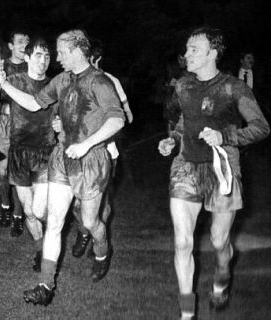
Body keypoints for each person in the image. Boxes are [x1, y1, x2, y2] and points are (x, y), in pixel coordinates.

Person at [0, 29, 125, 305]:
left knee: (90, 222)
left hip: (91, 160)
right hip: (61, 158)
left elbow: (117, 120)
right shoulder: (61, 80)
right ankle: (45, 285)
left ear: (78, 51)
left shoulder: (100, 82)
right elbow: (32, 103)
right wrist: (2, 83)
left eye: (62, 52)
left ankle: (103, 251)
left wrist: (87, 144)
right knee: (54, 222)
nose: (58, 58)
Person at [157, 27, 269, 320]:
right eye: (187, 48)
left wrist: (225, 136)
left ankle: (222, 278)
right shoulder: (182, 86)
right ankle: (187, 313)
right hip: (186, 167)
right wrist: (174, 139)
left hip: (223, 170)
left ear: (213, 53)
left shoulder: (234, 87)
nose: (187, 54)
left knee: (220, 241)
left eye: (195, 49)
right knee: (182, 241)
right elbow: (184, 122)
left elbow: (260, 127)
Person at [67, 40, 133, 259]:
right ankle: (84, 233)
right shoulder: (72, 81)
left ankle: (100, 247)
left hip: (104, 155)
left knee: (100, 205)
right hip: (75, 153)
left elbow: (126, 116)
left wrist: (100, 135)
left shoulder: (109, 82)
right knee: (76, 205)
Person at [3, 38, 55, 272]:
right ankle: (41, 251)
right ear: (26, 57)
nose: (43, 61)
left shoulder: (54, 85)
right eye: (37, 55)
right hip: (18, 153)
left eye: (47, 56)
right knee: (27, 212)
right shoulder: (15, 80)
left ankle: (53, 239)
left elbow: (47, 108)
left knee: (39, 210)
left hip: (45, 152)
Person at [0, 31, 28, 237]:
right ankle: (5, 206)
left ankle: (18, 215)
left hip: (23, 124)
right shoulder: (1, 65)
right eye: (20, 42)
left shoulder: (32, 66)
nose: (24, 45)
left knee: (18, 172)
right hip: (3, 123)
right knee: (3, 171)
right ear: (11, 45)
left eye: (27, 42)